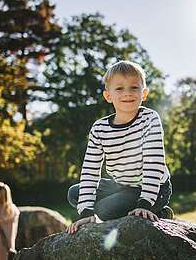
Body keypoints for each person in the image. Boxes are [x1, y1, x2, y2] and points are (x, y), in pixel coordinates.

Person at [66, 60, 174, 234]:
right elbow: (90, 170)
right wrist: (85, 212)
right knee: (74, 193)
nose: (127, 93)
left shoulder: (149, 119)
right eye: (119, 88)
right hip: (122, 185)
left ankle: (158, 211)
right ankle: (118, 203)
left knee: (103, 210)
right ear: (108, 96)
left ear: (144, 93)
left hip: (154, 188)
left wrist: (145, 203)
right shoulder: (100, 128)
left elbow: (154, 164)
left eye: (134, 87)